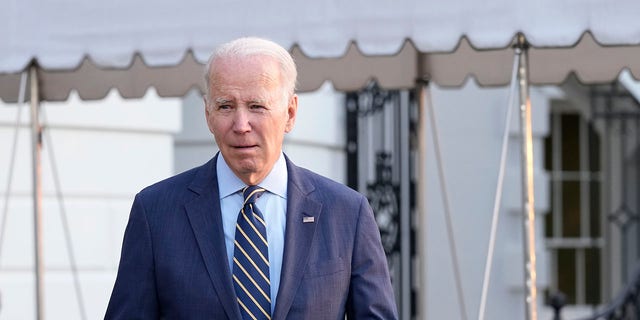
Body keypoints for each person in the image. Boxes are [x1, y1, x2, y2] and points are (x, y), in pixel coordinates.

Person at [105, 37, 398, 320]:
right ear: (208, 114)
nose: (241, 125)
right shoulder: (156, 212)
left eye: (256, 106)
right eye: (225, 106)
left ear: (290, 113)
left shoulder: (346, 213)